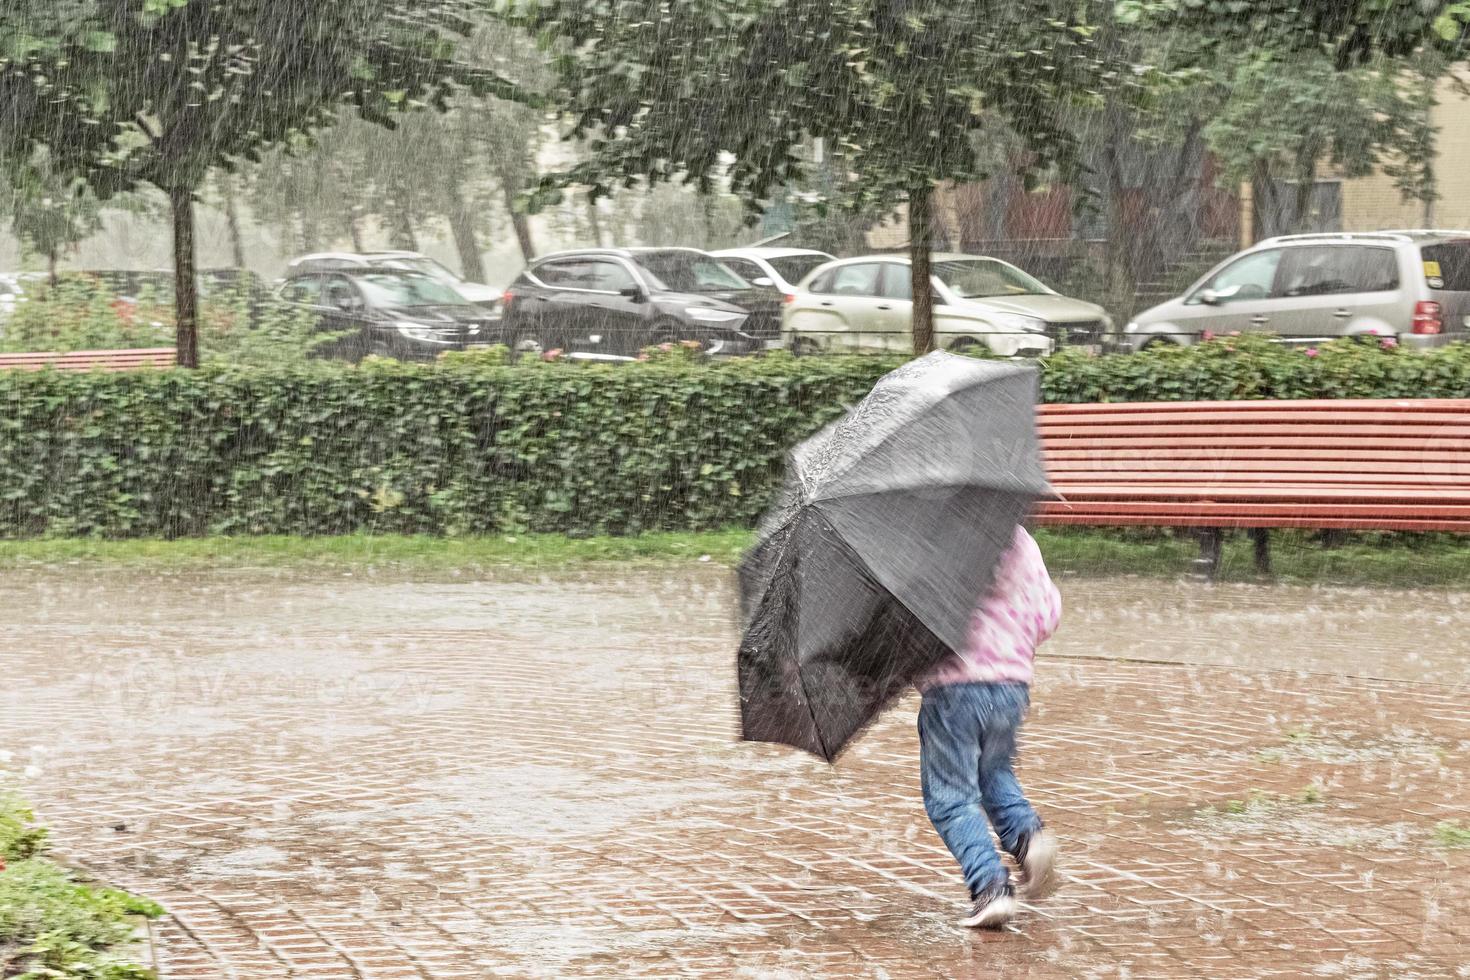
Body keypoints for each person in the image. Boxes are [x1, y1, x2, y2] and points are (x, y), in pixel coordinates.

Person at [915, 524, 1062, 928]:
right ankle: (1028, 838)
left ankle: (989, 886)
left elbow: (910, 623)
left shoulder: (927, 542)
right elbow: (1048, 615)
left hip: (952, 688)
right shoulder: (1018, 539)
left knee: (950, 798)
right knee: (993, 771)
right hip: (1011, 686)